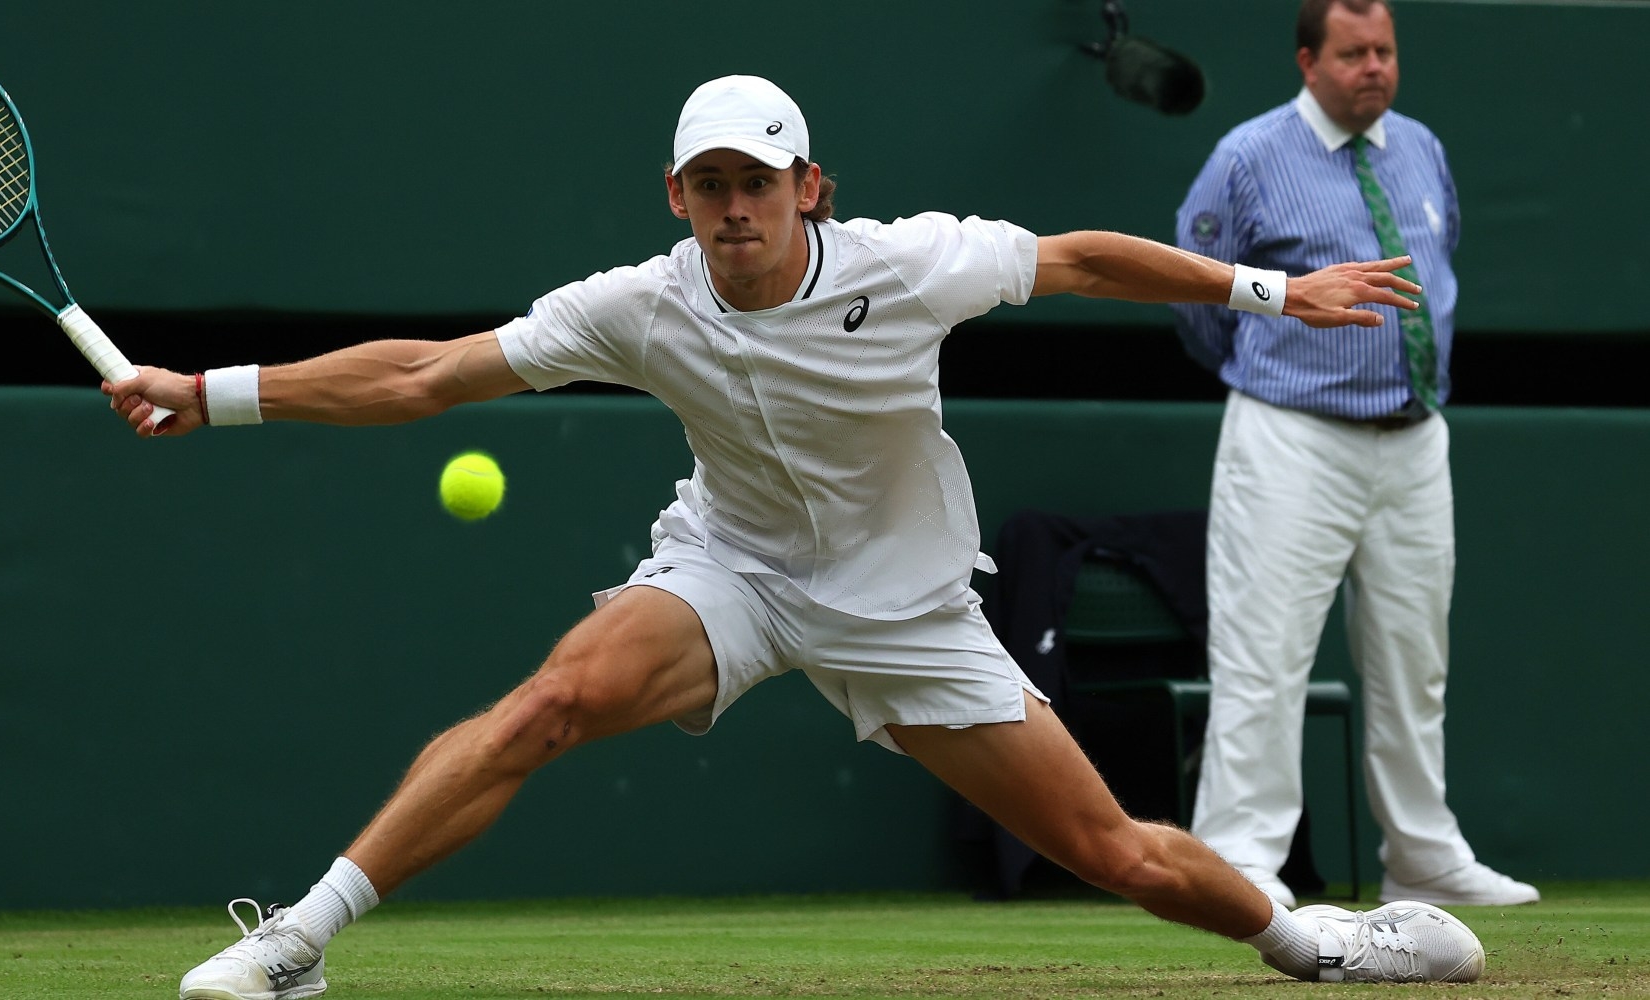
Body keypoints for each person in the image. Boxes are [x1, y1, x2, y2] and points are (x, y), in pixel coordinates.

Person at [108, 75, 1484, 999]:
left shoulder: (910, 264)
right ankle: (302, 941)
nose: (733, 208)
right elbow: (425, 377)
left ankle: (1317, 944)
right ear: (675, 199)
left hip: (910, 613)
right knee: (550, 703)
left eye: (756, 182)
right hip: (736, 572)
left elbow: (1080, 257)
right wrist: (212, 395)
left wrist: (1271, 291)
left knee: (1115, 854)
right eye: (707, 186)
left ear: (808, 187)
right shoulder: (641, 304)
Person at [1170, 0, 1538, 910]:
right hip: (1291, 434)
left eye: (1385, 51)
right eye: (1352, 53)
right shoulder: (1249, 156)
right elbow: (1197, 296)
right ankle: (1239, 855)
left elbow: (1441, 258)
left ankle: (1422, 854)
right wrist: (1271, 378)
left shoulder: (1420, 147)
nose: (1374, 66)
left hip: (1415, 438)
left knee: (1416, 656)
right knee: (1265, 649)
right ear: (1308, 60)